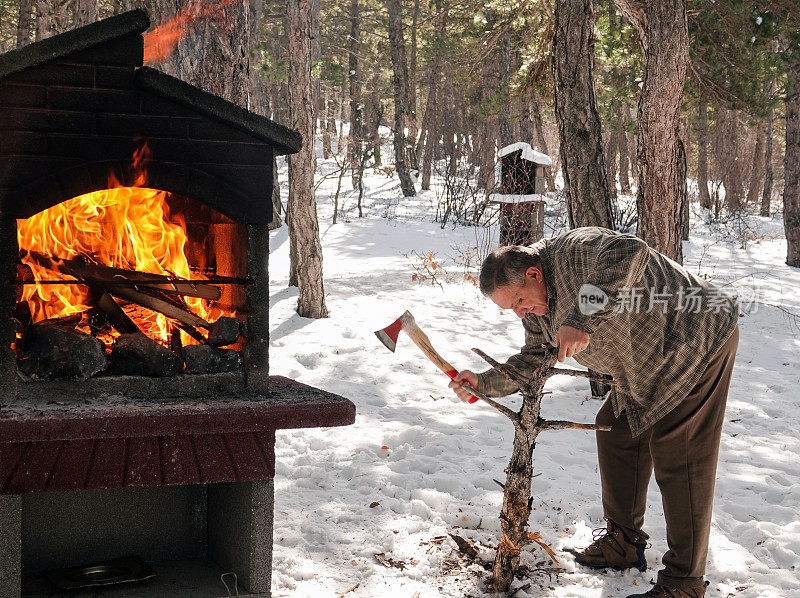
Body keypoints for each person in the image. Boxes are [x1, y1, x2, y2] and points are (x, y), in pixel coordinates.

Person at [449, 227, 739, 598]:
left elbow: (631, 251)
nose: (521, 312)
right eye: (513, 309)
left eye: (520, 300)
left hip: (696, 336)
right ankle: (623, 543)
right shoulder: (537, 305)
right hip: (644, 362)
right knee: (616, 429)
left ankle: (684, 583)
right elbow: (537, 356)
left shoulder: (575, 252)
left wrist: (581, 317)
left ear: (534, 274)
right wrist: (483, 383)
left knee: (678, 452)